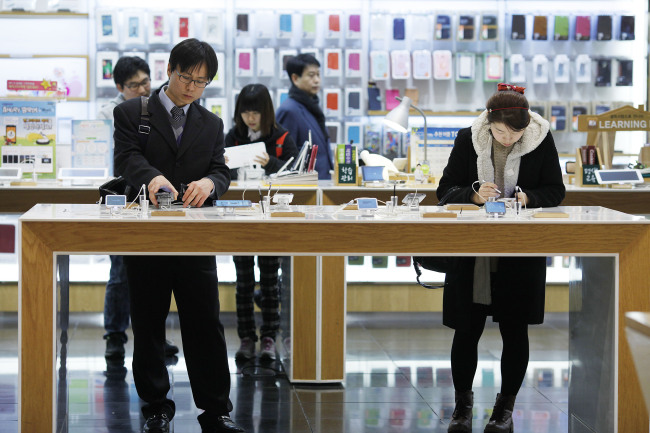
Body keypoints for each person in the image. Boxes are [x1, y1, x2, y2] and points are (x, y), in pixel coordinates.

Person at [113, 39, 244, 433]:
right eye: (186, 77)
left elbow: (222, 169)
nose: (191, 88)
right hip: (147, 233)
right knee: (149, 320)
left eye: (201, 82)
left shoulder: (211, 123)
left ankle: (215, 410)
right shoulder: (131, 113)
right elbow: (126, 157)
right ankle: (155, 406)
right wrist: (151, 178)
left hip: (195, 235)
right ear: (169, 68)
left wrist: (210, 182)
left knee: (205, 321)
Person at [435, 83, 565, 433]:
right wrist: (474, 195)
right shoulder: (469, 138)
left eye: (515, 132)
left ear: (526, 127)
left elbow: (556, 190)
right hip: (472, 252)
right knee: (466, 329)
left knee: (514, 329)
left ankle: (504, 410)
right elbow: (444, 191)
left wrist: (528, 198)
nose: (507, 138)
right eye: (500, 131)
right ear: (488, 122)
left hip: (519, 250)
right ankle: (462, 408)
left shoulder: (541, 140)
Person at [98, 56, 179, 361]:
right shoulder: (109, 114)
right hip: (125, 198)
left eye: (146, 81)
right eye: (135, 85)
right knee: (120, 271)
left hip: (155, 198)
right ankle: (115, 335)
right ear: (120, 87)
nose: (144, 88)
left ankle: (154, 338)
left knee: (157, 273)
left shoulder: (156, 109)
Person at [224, 83, 298, 362]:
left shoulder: (281, 137)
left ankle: (269, 336)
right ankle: (246, 337)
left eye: (255, 112)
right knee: (243, 282)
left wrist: (270, 163)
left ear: (266, 112)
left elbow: (295, 175)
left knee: (269, 282)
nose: (250, 118)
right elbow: (217, 171)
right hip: (240, 217)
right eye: (245, 113)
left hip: (272, 220)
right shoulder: (232, 136)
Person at [276, 53, 333, 180]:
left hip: (321, 182)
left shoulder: (311, 106)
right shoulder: (289, 110)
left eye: (318, 74)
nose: (317, 80)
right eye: (311, 75)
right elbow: (286, 157)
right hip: (304, 187)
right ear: (295, 78)